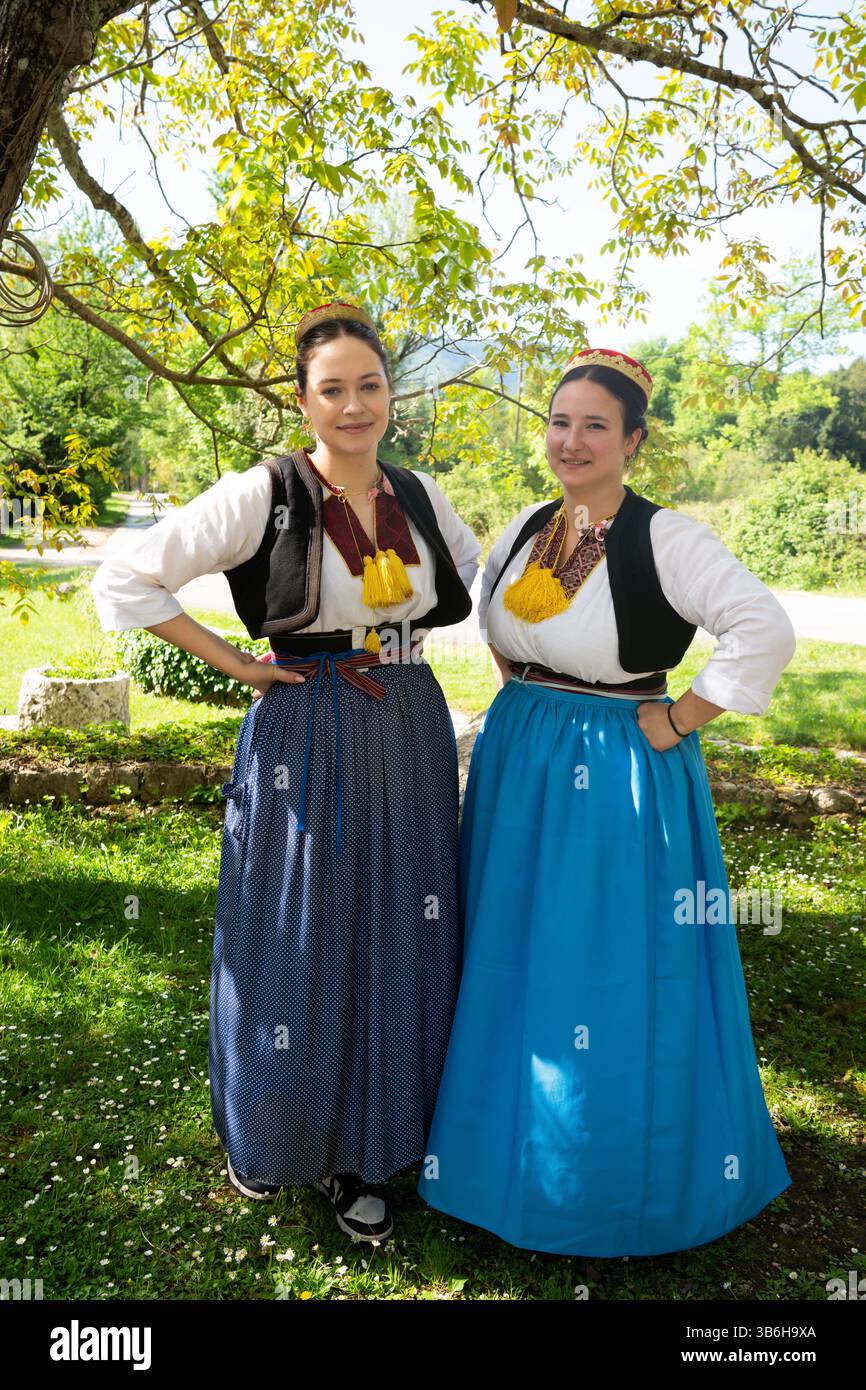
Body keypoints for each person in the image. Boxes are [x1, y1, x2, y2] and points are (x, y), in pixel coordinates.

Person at [91, 301, 481, 1243]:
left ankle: (369, 1151)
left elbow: (493, 593)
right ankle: (280, 1131)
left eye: (370, 385)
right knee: (299, 930)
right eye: (333, 389)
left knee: (401, 930)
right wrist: (237, 663)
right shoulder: (262, 493)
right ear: (303, 401)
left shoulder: (421, 498)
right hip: (303, 730)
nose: (355, 406)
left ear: (393, 392)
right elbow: (126, 579)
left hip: (408, 726)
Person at [417, 346, 797, 1257]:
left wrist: (677, 719)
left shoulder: (666, 537)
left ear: (633, 440)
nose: (572, 441)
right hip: (524, 759)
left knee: (606, 960)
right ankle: (497, 1156)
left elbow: (764, 628)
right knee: (510, 945)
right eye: (559, 422)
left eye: (595, 426)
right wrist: (526, 691)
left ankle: (610, 1182)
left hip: (619, 766)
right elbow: (502, 623)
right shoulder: (532, 527)